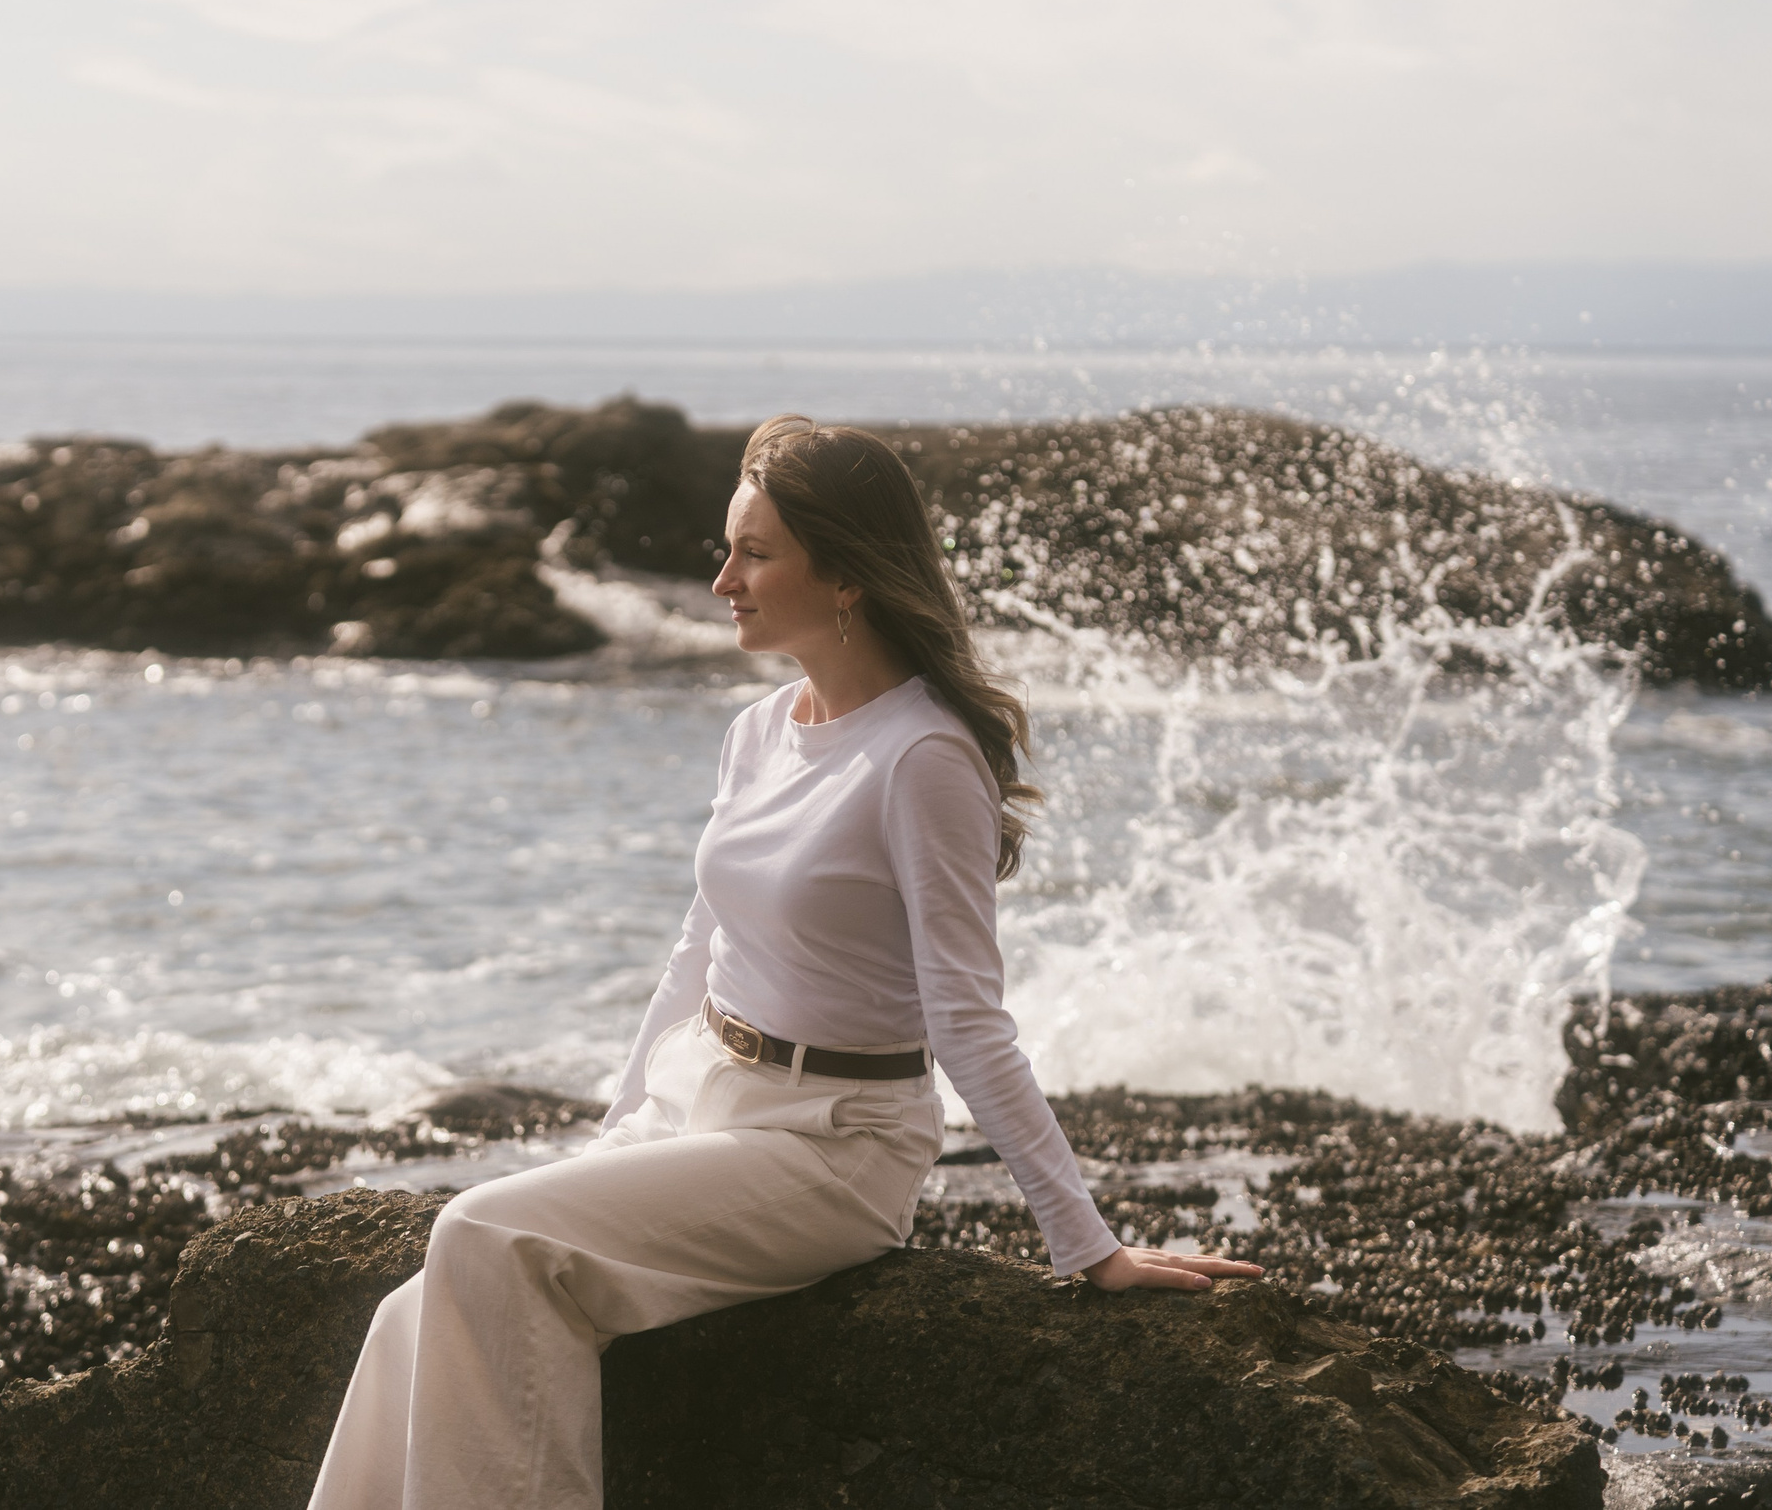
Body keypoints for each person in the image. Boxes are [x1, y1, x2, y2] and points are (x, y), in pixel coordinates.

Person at [307, 415, 1261, 1509]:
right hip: (704, 1101)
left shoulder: (924, 757)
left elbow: (968, 1020)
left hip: (833, 1148)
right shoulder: (760, 728)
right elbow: (693, 953)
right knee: (408, 1314)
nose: (721, 581)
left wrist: (1086, 1247)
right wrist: (612, 1137)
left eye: (754, 553)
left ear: (848, 573)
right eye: (728, 549)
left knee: (480, 1230)